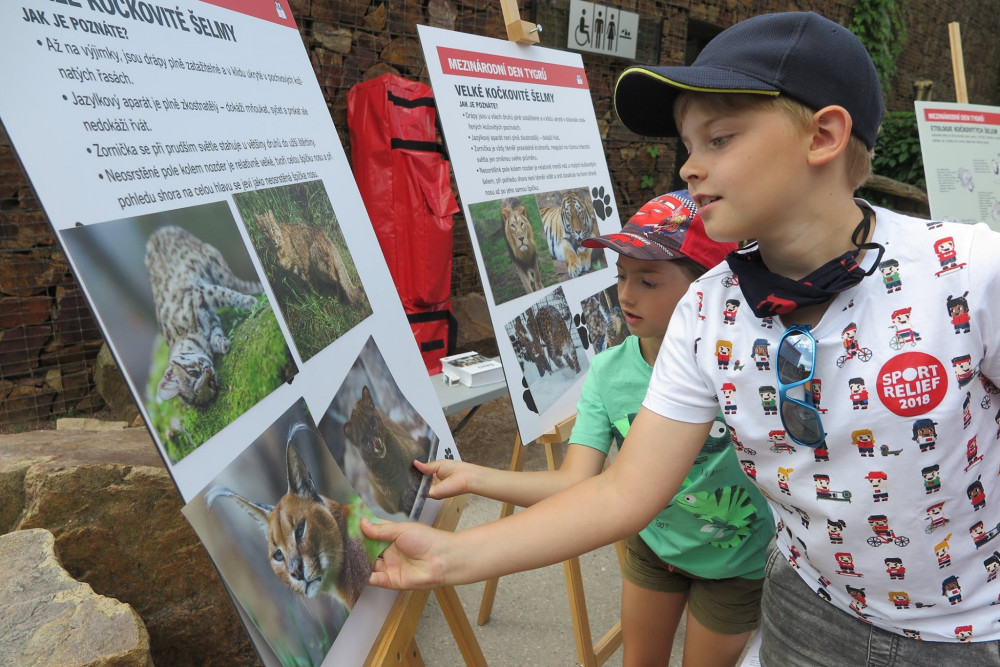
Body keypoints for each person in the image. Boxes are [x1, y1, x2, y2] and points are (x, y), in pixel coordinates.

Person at [363, 11, 1000, 664]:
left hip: (971, 631)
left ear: (825, 135)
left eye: (718, 138)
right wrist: (452, 554)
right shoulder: (707, 310)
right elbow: (623, 489)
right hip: (805, 609)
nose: (691, 167)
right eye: (689, 145)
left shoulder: (967, 273)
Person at [414, 192, 773, 666]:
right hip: (652, 543)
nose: (625, 294)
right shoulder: (608, 371)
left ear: (707, 286)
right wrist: (474, 477)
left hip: (735, 563)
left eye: (647, 280)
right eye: (621, 276)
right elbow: (573, 482)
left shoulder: (746, 370)